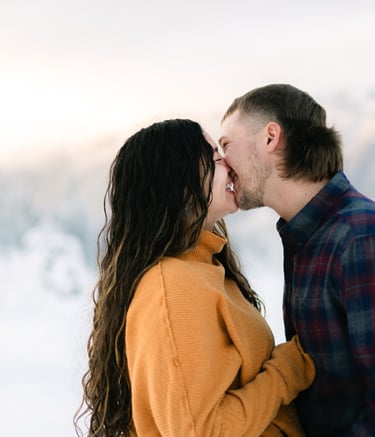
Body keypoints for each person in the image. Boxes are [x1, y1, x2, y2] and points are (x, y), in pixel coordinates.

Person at [75, 118, 315, 437]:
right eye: (215, 159)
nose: (229, 166)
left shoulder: (205, 268)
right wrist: (285, 373)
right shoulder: (172, 286)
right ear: (181, 184)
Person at [219, 83, 375, 436]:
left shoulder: (359, 237)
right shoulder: (305, 236)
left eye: (226, 145)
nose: (222, 165)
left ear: (271, 137)